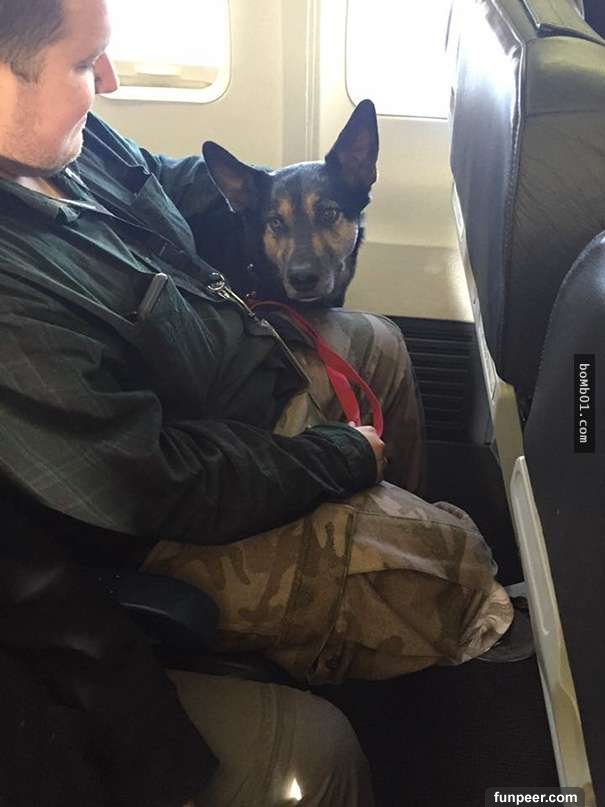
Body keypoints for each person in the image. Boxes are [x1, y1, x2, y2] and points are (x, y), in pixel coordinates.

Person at [0, 0, 519, 804]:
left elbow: (169, 183)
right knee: (452, 563)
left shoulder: (70, 140)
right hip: (171, 514)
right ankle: (418, 617)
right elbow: (155, 482)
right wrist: (334, 457)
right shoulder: (12, 293)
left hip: (234, 384)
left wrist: (282, 195)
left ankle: (377, 588)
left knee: (379, 344)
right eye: (83, 62)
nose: (109, 79)